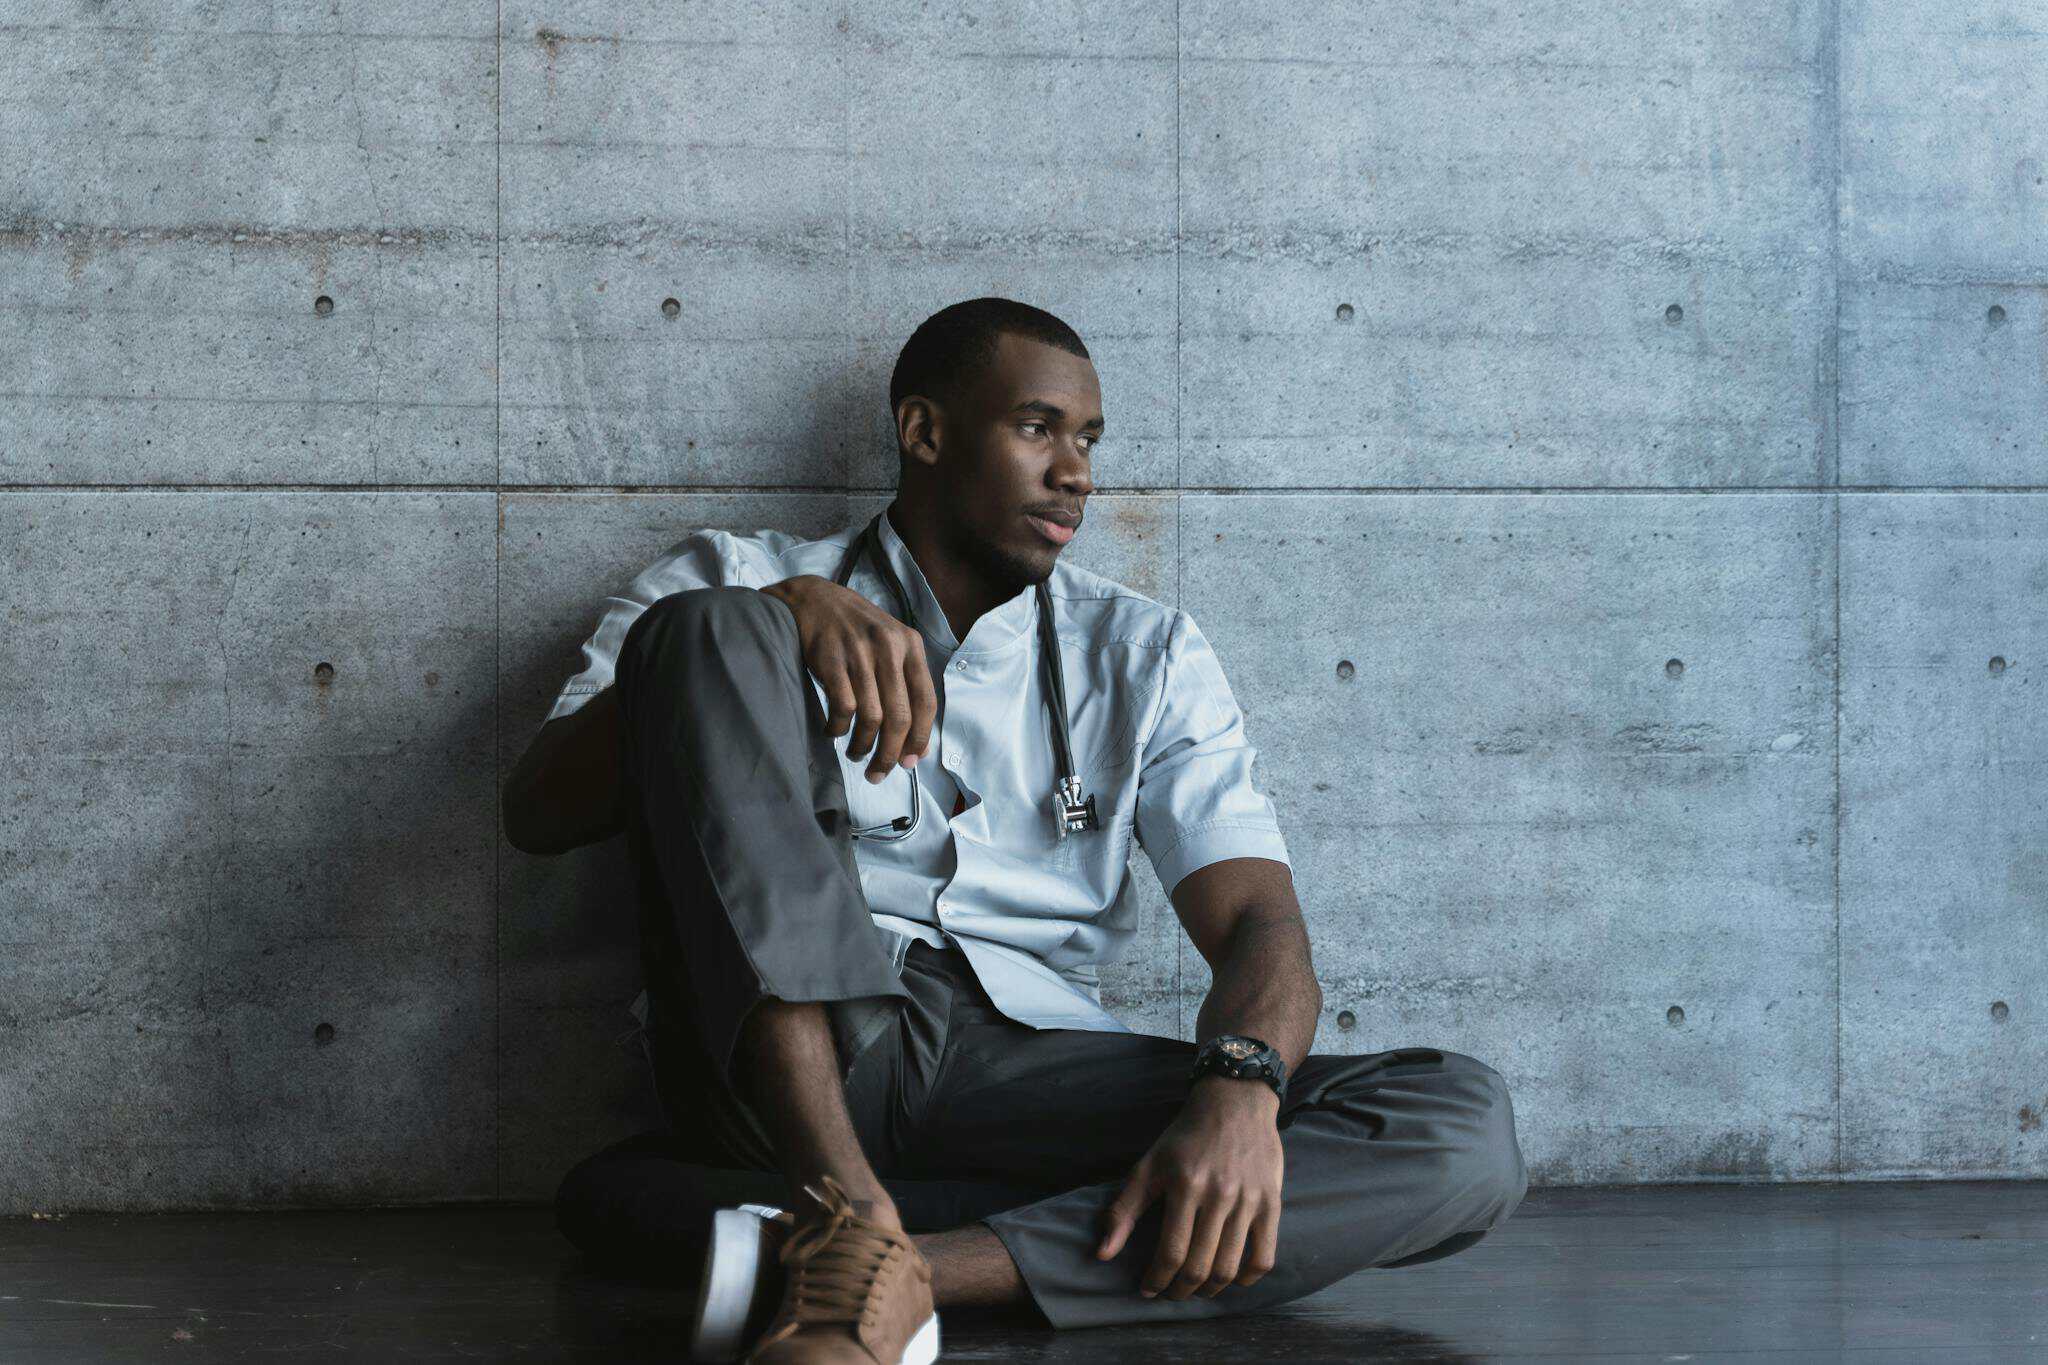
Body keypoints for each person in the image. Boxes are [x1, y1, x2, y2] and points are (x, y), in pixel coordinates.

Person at [502, 298, 1529, 1364]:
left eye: (1088, 441)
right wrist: (775, 622)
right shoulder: (732, 577)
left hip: (1022, 1064)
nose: (1076, 473)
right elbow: (536, 811)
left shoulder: (1144, 651)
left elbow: (1259, 919)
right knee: (708, 630)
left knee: (1454, 1126)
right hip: (787, 1059)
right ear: (924, 432)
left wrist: (1239, 1087)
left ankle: (886, 1265)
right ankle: (849, 1204)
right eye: (1038, 428)